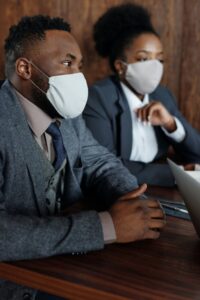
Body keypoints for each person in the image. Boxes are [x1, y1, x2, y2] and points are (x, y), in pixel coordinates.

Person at [0, 15, 165, 300]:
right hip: (15, 285)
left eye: (79, 66)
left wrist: (129, 198)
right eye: (67, 63)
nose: (78, 76)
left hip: (64, 267)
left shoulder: (65, 111)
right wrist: (107, 226)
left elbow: (99, 161)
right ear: (25, 68)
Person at [83, 3, 200, 187]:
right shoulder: (98, 98)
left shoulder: (162, 95)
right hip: (120, 191)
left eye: (159, 59)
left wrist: (171, 124)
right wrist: (178, 175)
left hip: (163, 191)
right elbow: (106, 166)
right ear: (120, 66)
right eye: (143, 58)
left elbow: (197, 154)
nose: (154, 66)